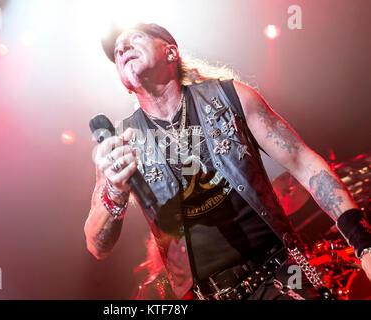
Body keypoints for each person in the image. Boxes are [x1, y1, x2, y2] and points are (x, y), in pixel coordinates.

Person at [84, 23, 371, 300]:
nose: (122, 48)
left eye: (134, 38)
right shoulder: (120, 143)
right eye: (117, 52)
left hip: (280, 278)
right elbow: (97, 246)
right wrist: (115, 191)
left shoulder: (231, 96)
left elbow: (305, 164)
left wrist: (365, 245)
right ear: (124, 82)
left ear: (170, 51)